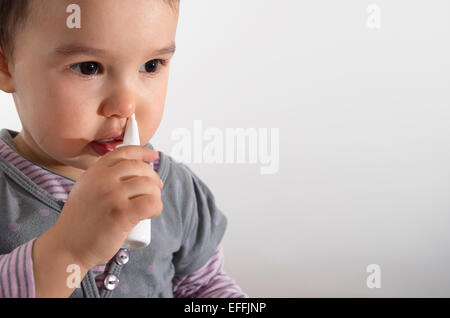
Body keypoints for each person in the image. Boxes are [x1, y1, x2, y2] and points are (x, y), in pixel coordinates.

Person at [0, 0, 247, 298]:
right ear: (6, 66)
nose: (126, 106)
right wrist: (69, 251)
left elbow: (203, 286)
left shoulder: (176, 191)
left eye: (151, 66)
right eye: (88, 68)